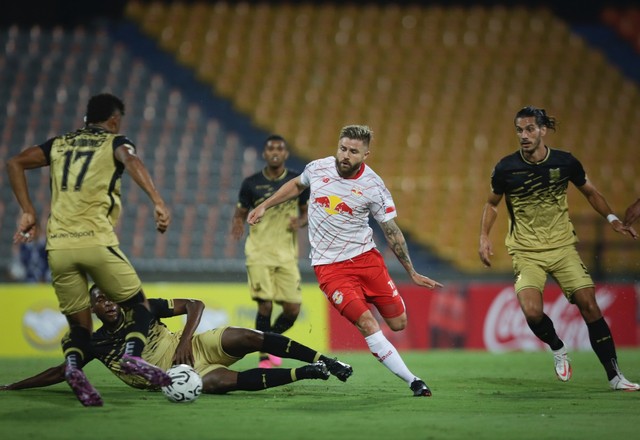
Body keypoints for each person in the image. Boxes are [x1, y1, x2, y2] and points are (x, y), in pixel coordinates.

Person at [247, 125, 442, 397]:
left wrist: (411, 271)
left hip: (366, 260)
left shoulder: (373, 186)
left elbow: (391, 231)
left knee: (398, 323)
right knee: (368, 324)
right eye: (342, 148)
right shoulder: (317, 168)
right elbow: (296, 184)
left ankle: (377, 307)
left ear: (365, 155)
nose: (345, 155)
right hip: (330, 269)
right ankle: (414, 381)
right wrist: (265, 205)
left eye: (353, 151)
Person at [6, 93, 173, 406]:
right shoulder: (114, 142)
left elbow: (14, 163)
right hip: (96, 241)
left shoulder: (58, 144)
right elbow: (132, 160)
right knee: (139, 305)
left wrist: (28, 210)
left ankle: (72, 367)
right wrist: (158, 201)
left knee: (80, 328)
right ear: (113, 120)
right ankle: (133, 357)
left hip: (58, 248)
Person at [478, 105, 639, 391]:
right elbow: (492, 203)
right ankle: (557, 347)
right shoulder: (506, 167)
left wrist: (613, 219)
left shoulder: (565, 163)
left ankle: (615, 377)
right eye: (519, 130)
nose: (524, 135)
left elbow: (590, 191)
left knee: (589, 305)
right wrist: (484, 236)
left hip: (563, 248)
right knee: (531, 313)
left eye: (529, 129)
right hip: (526, 252)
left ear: (543, 130)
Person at [0, 285, 353, 395]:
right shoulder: (94, 342)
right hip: (176, 377)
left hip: (194, 347)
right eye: (99, 301)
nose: (107, 304)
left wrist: (185, 341)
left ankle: (327, 358)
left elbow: (194, 304)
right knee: (219, 383)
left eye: (109, 298)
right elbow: (62, 371)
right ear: (90, 308)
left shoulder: (142, 308)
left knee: (248, 336)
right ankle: (308, 372)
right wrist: (13, 386)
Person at [231, 134, 310, 368]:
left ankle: (271, 341)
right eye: (271, 148)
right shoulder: (251, 183)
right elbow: (240, 213)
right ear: (264, 154)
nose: (275, 151)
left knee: (293, 309)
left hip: (286, 255)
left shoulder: (298, 181)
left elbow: (306, 212)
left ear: (285, 154)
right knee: (265, 304)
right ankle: (264, 356)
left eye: (280, 148)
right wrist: (237, 224)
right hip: (259, 253)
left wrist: (301, 222)